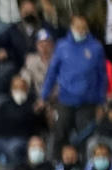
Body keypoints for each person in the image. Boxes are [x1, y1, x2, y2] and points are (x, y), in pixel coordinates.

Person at [43, 15, 107, 151]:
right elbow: (52, 72)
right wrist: (44, 95)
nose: (81, 30)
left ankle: (83, 167)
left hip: (87, 102)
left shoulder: (96, 47)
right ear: (71, 27)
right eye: (78, 27)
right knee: (59, 134)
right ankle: (57, 165)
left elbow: (102, 76)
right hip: (65, 100)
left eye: (84, 27)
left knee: (85, 137)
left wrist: (101, 102)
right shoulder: (62, 46)